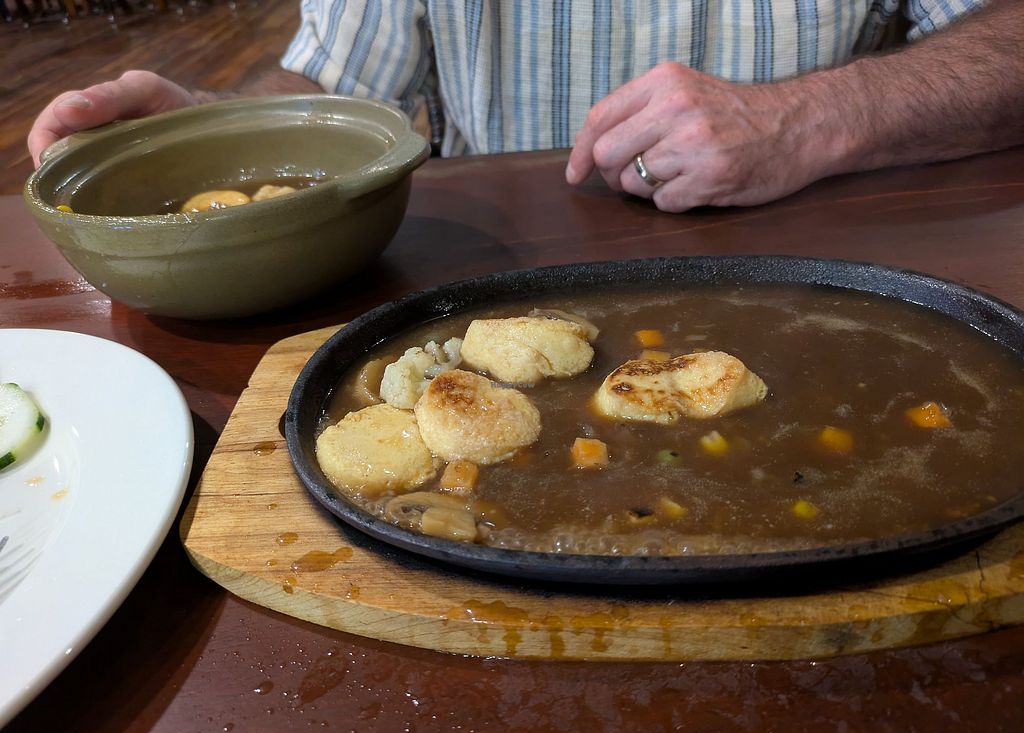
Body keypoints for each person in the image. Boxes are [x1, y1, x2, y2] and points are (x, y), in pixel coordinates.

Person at [28, 0, 1024, 213]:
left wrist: (806, 118)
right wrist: (209, 128)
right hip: (491, 283)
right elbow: (337, 92)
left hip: (830, 263)